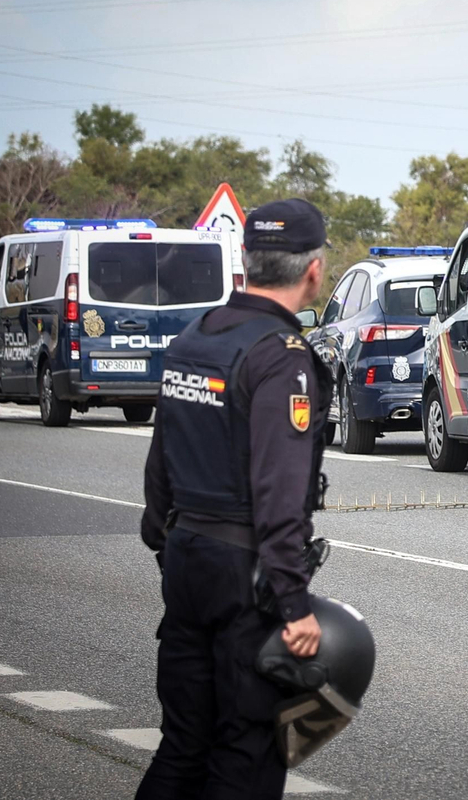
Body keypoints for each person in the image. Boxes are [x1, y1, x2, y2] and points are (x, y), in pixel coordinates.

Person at [137, 198, 334, 800]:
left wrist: (169, 544)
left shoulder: (195, 337)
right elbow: (279, 495)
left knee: (182, 747)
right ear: (314, 270)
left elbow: (159, 465)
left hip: (186, 558)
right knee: (244, 754)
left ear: (245, 261)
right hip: (244, 574)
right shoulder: (281, 357)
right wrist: (294, 604)